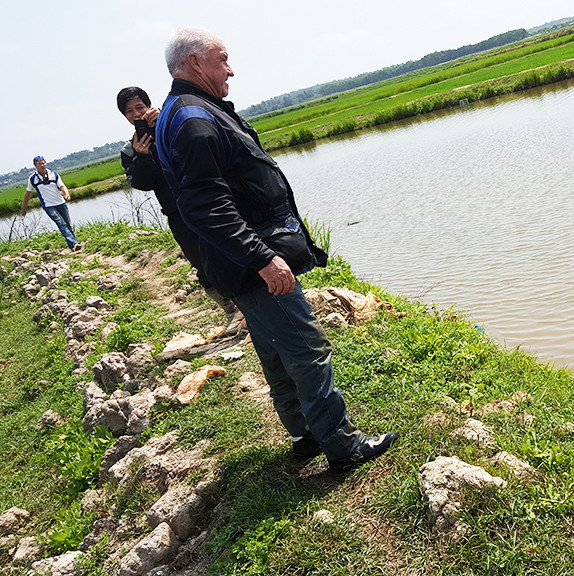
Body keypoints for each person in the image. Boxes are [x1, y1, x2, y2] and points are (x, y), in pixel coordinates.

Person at [154, 27, 397, 468]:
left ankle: (305, 434)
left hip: (237, 262)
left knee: (275, 348)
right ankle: (341, 446)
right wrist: (263, 257)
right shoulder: (193, 119)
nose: (231, 69)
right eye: (222, 59)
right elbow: (205, 205)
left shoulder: (187, 110)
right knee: (306, 349)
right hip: (251, 262)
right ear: (193, 63)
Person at [116, 86, 243, 333]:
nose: (136, 114)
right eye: (129, 111)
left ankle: (253, 307)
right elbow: (141, 184)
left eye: (140, 107)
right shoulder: (129, 150)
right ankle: (232, 311)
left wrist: (163, 121)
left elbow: (198, 149)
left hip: (206, 200)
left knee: (231, 250)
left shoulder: (171, 125)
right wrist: (142, 157)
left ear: (149, 105)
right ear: (125, 117)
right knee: (201, 264)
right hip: (177, 213)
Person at [21, 156, 82, 251]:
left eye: (43, 163)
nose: (42, 165)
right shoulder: (33, 179)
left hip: (61, 202)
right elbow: (28, 194)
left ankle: (73, 245)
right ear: (35, 166)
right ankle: (74, 243)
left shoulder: (53, 174)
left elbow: (62, 186)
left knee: (67, 224)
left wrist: (66, 194)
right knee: (61, 223)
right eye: (39, 164)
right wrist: (23, 208)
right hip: (48, 205)